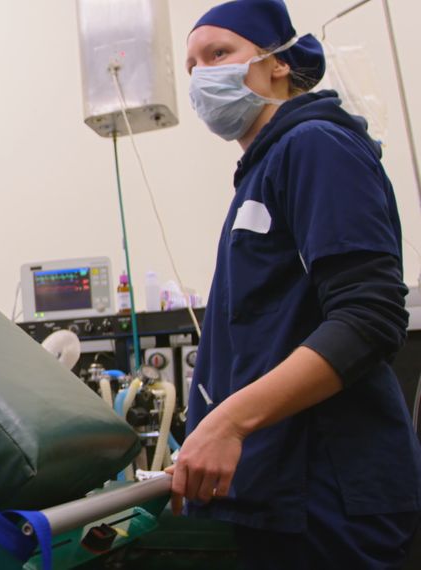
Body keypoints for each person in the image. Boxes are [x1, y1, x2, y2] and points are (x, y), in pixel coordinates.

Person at [169, 0, 421, 567]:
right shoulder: (263, 171)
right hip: (280, 491)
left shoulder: (316, 145)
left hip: (328, 493)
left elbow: (368, 318)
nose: (203, 76)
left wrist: (229, 423)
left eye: (219, 53)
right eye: (191, 66)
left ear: (278, 62)